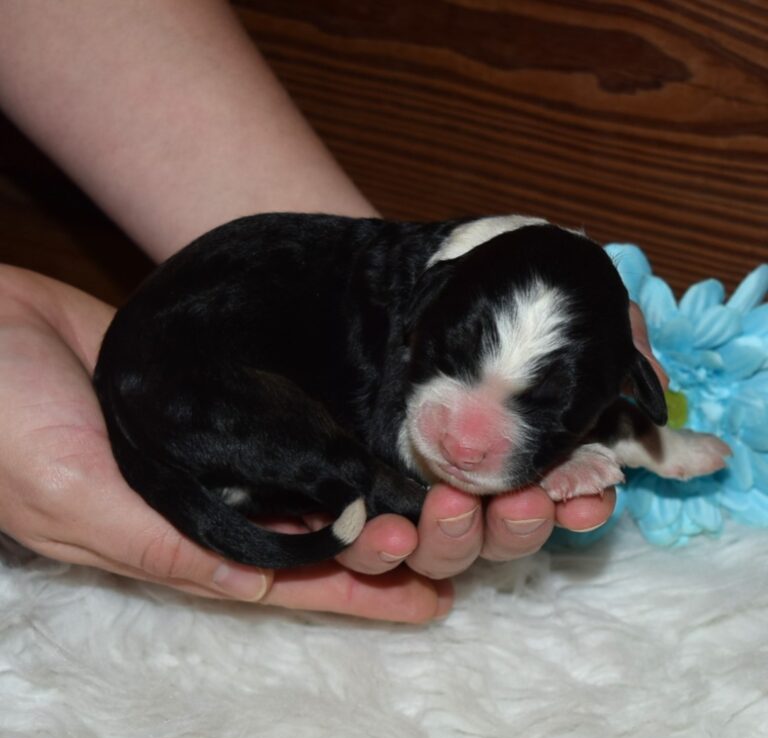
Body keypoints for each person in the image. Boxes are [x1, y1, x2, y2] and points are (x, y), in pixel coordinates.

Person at [0, 0, 664, 623]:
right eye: (452, 360)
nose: (465, 441)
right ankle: (363, 493)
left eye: (545, 404)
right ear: (426, 306)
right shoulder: (414, 294)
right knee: (383, 484)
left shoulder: (429, 284)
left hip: (200, 365)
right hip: (193, 380)